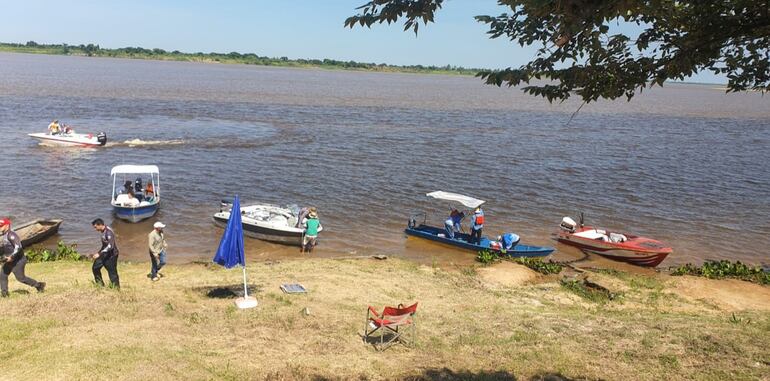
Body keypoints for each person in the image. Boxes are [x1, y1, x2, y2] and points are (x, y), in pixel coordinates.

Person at [0, 218, 45, 297]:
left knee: (21, 278)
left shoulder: (11, 235)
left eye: (1, 226)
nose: (0, 227)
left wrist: (11, 257)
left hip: (18, 261)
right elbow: (4, 248)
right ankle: (4, 294)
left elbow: (18, 247)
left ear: (7, 226)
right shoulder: (4, 235)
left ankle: (39, 285)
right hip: (8, 260)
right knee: (3, 275)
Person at [91, 218, 120, 289]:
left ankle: (116, 288)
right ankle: (100, 284)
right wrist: (98, 252)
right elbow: (104, 246)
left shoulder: (109, 232)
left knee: (112, 272)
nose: (95, 229)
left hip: (111, 255)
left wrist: (99, 254)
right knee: (95, 267)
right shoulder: (103, 232)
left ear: (100, 225)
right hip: (104, 254)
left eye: (95, 227)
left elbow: (110, 246)